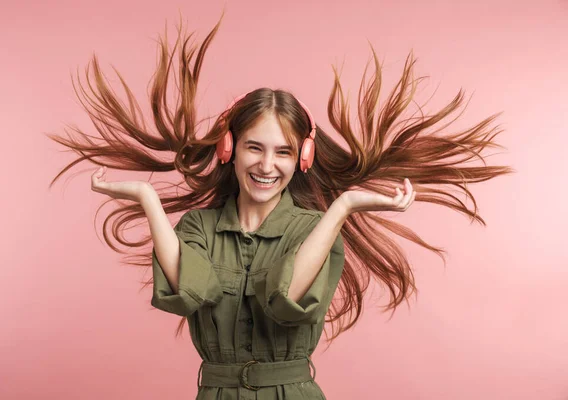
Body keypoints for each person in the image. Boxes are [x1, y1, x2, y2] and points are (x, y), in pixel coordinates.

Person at [48, 17, 512, 400]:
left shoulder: (315, 229)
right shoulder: (198, 227)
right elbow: (190, 292)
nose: (268, 166)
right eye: (255, 148)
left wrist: (343, 207)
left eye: (284, 152)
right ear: (229, 148)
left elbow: (286, 302)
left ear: (303, 158)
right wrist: (150, 200)